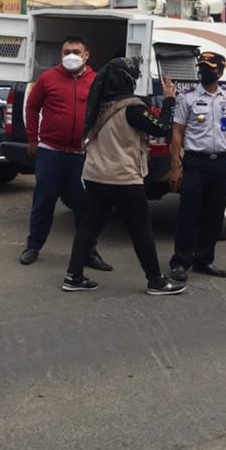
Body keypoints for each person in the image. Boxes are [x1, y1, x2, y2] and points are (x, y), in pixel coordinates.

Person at [62, 59, 186, 296]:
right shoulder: (132, 107)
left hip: (95, 175)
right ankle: (156, 281)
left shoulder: (98, 103)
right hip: (123, 178)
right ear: (126, 79)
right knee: (141, 230)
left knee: (89, 226)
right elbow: (161, 127)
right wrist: (170, 99)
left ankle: (73, 276)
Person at [18, 36, 110, 272]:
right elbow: (32, 106)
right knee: (44, 201)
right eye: (67, 51)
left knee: (85, 205)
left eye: (76, 51)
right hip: (51, 151)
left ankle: (89, 251)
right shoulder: (48, 78)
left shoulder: (96, 80)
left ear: (86, 55)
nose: (71, 55)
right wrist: (32, 137)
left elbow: (105, 113)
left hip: (82, 153)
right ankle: (33, 246)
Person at [167, 52, 226, 281]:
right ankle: (180, 262)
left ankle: (204, 260)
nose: (204, 72)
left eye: (210, 68)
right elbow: (177, 131)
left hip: (220, 163)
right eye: (202, 67)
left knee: (213, 215)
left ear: (220, 72)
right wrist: (175, 165)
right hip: (195, 163)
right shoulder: (187, 98)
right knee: (188, 214)